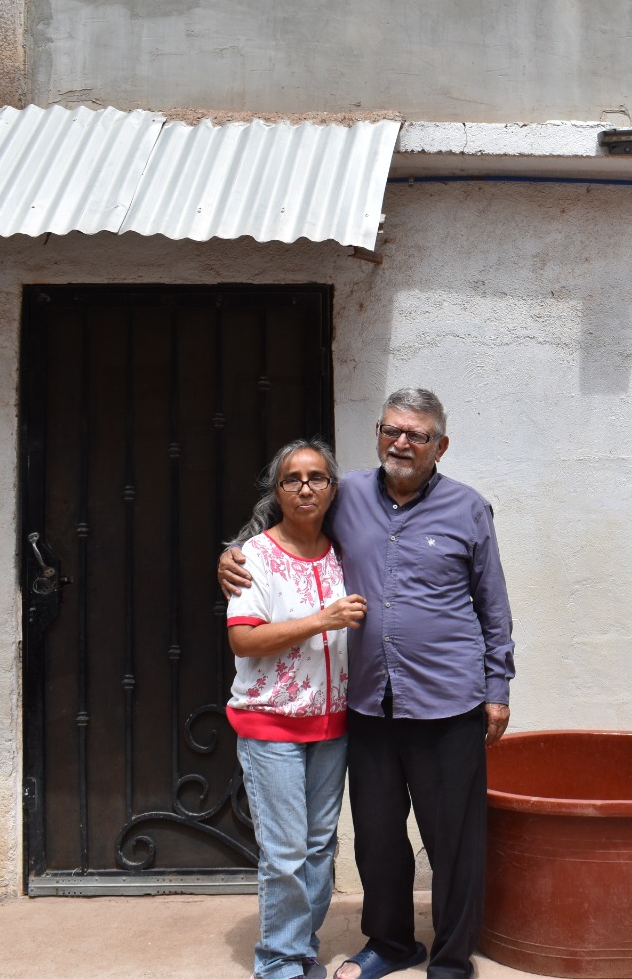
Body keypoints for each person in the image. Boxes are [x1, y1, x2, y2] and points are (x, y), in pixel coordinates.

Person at [221, 389, 515, 979]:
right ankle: (391, 942)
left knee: (451, 839)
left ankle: (452, 958)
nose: (401, 443)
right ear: (378, 433)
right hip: (371, 704)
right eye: (391, 430)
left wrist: (497, 687)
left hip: (448, 701)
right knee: (377, 839)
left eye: (417, 435)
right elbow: (284, 512)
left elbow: (493, 605)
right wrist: (231, 551)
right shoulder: (346, 490)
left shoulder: (467, 508)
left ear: (441, 446)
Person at [226, 440, 367, 979]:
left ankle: (300, 947)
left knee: (317, 850)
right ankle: (279, 963)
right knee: (284, 855)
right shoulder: (254, 557)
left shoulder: (343, 552)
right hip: (272, 725)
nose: (305, 487)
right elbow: (244, 640)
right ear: (277, 490)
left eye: (317, 478)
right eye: (292, 479)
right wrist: (319, 620)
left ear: (333, 488)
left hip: (331, 726)